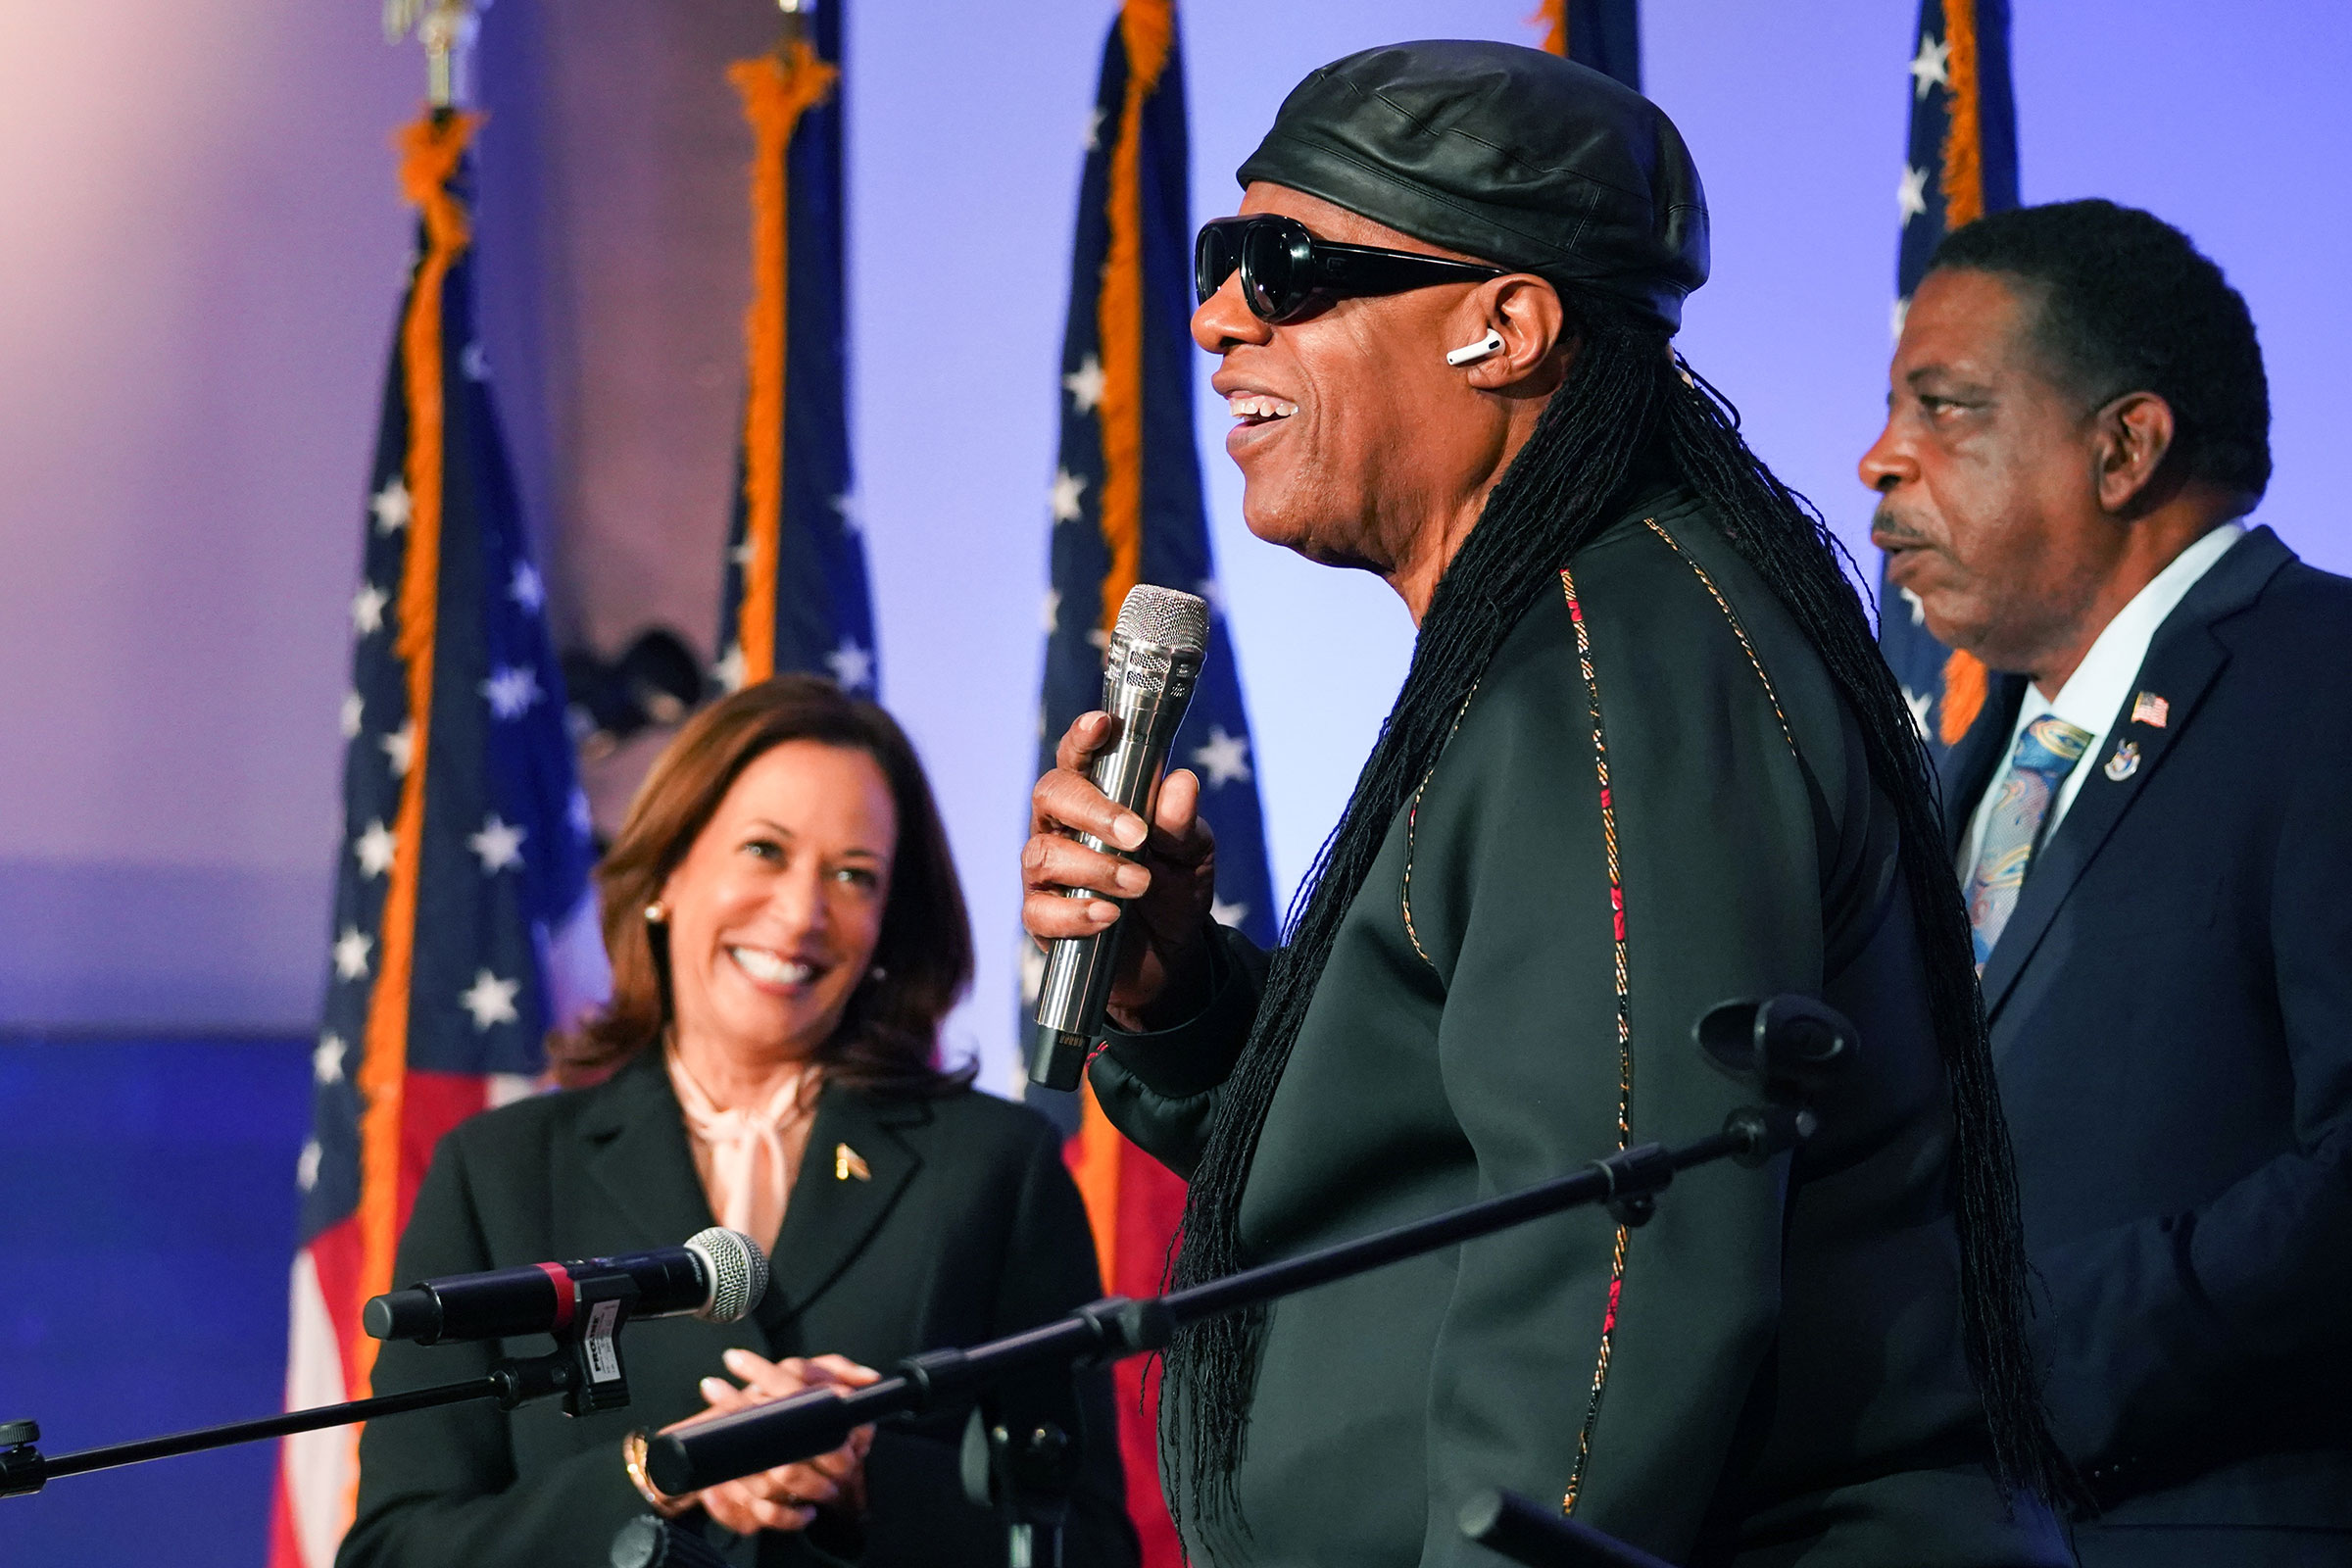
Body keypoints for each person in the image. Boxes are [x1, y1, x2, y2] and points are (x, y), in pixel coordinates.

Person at [1021, 40, 2069, 1568]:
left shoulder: (1617, 666)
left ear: (1503, 326)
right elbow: (1427, 1167)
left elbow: (1621, 1262)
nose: (1215, 315)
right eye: (1216, 257)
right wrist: (1180, 1004)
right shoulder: (1562, 642)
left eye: (1286, 265)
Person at [344, 677, 1137, 1568]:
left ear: (888, 925)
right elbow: (392, 1554)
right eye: (764, 850)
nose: (801, 915)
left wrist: (868, 1478)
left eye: (853, 876)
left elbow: (1093, 1548)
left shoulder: (995, 1167)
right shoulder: (500, 1172)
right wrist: (661, 1470)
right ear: (666, 876)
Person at [1863, 199, 2352, 1565]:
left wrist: (1995, 1372)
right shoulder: (1943, 788)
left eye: (1944, 408)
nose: (1879, 459)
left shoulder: (2326, 685)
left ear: (2124, 446)